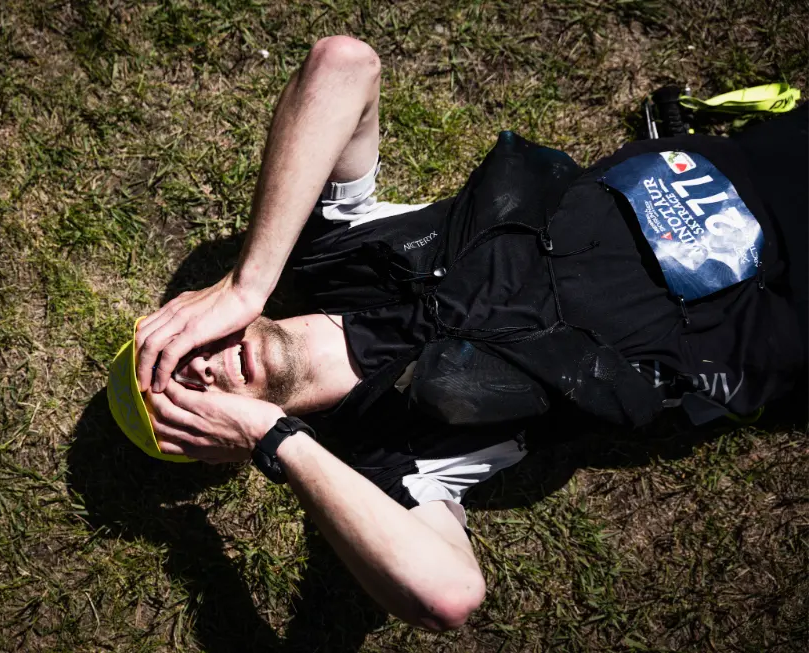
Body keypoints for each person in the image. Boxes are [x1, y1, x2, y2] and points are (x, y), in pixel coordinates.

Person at [128, 36, 808, 630]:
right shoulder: (389, 465)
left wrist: (249, 281)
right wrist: (269, 438)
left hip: (748, 164)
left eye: (173, 353)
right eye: (182, 397)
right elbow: (448, 596)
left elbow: (344, 64)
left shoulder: (331, 251)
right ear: (211, 439)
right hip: (780, 311)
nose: (196, 369)